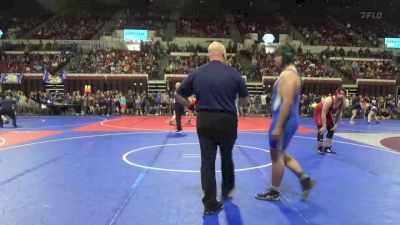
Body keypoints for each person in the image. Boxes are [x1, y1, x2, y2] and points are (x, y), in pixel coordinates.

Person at [176, 41, 249, 215]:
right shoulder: (235, 74)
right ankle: (226, 190)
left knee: (207, 162)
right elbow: (245, 102)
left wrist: (191, 106)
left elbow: (178, 94)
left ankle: (209, 204)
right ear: (224, 55)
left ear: (209, 55)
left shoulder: (198, 73)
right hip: (227, 120)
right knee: (226, 157)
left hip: (205, 120)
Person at [255, 44, 315, 202]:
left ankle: (274, 192)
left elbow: (287, 103)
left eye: (277, 56)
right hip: (285, 119)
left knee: (276, 156)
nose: (274, 59)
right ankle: (304, 178)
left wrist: (279, 126)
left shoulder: (288, 76)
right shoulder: (289, 74)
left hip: (285, 120)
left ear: (286, 56)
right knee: (279, 153)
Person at [314, 88, 347, 154]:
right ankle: (320, 148)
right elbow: (323, 113)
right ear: (336, 93)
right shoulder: (329, 100)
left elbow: (339, 114)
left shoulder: (343, 102)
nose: (341, 95)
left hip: (327, 113)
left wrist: (336, 125)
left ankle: (327, 148)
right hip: (319, 112)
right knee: (321, 129)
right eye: (340, 93)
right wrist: (324, 125)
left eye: (343, 94)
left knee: (332, 129)